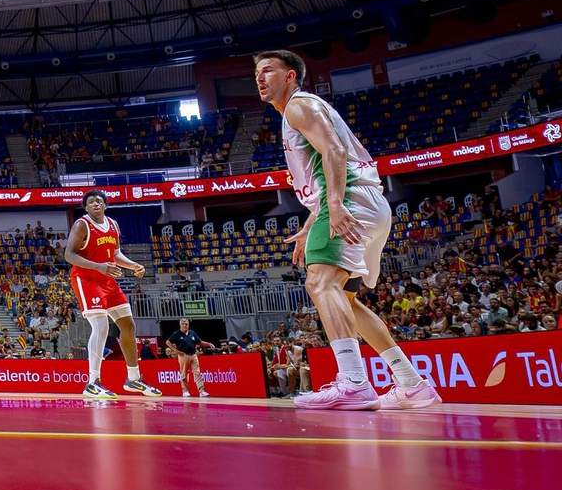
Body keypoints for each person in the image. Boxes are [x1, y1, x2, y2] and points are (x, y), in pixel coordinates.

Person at [254, 49, 441, 410]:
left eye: (269, 70)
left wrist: (335, 206)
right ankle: (411, 383)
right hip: (368, 204)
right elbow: (328, 167)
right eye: (257, 73)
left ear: (291, 76)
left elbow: (335, 152)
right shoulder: (303, 110)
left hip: (349, 201)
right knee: (348, 301)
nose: (260, 78)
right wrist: (312, 222)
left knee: (320, 283)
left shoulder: (299, 106)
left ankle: (354, 382)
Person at [64, 189, 161, 400]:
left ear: (105, 205)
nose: (95, 204)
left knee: (128, 326)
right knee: (101, 326)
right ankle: (92, 382)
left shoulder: (113, 225)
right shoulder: (82, 225)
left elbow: (115, 254)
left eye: (99, 201)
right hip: (86, 279)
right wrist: (98, 266)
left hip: (107, 280)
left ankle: (133, 378)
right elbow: (69, 255)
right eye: (91, 202)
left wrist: (133, 265)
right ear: (86, 207)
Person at [165, 317, 214, 397]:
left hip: (193, 355)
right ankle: (185, 390)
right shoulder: (177, 334)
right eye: (183, 324)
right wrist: (176, 351)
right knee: (184, 374)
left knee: (197, 373)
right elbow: (168, 342)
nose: (185, 325)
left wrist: (208, 344)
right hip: (183, 355)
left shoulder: (192, 333)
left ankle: (201, 391)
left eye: (186, 324)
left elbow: (199, 342)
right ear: (180, 325)